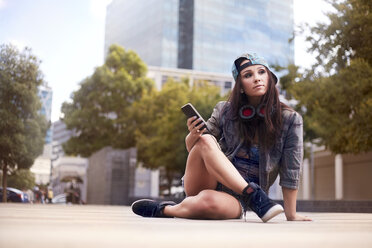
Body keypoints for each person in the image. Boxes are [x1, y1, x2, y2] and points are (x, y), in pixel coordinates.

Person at [132, 53, 312, 222]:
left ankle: (166, 210)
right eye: (248, 75)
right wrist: (193, 134)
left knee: (207, 202)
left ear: (270, 78)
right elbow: (194, 149)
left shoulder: (290, 119)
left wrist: (291, 214)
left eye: (261, 72)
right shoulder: (224, 110)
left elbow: (291, 170)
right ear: (240, 86)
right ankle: (253, 195)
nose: (257, 78)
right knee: (205, 139)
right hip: (208, 179)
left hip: (235, 200)